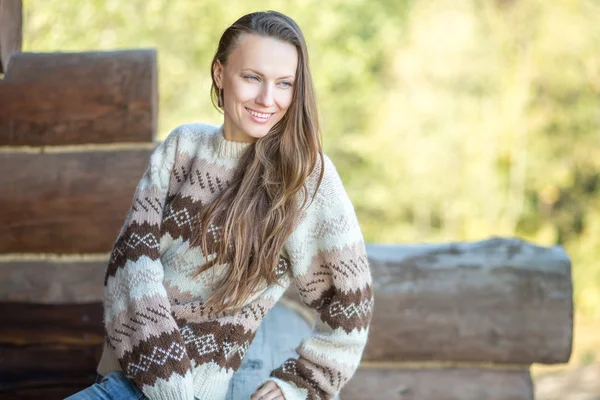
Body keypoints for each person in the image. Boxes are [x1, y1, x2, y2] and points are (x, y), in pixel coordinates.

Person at [67, 10, 373, 400]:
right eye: (252, 77)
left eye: (284, 84)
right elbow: (131, 263)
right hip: (129, 381)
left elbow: (350, 301)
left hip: (196, 391)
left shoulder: (305, 178)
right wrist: (167, 383)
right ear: (219, 74)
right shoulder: (183, 148)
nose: (268, 99)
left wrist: (300, 383)